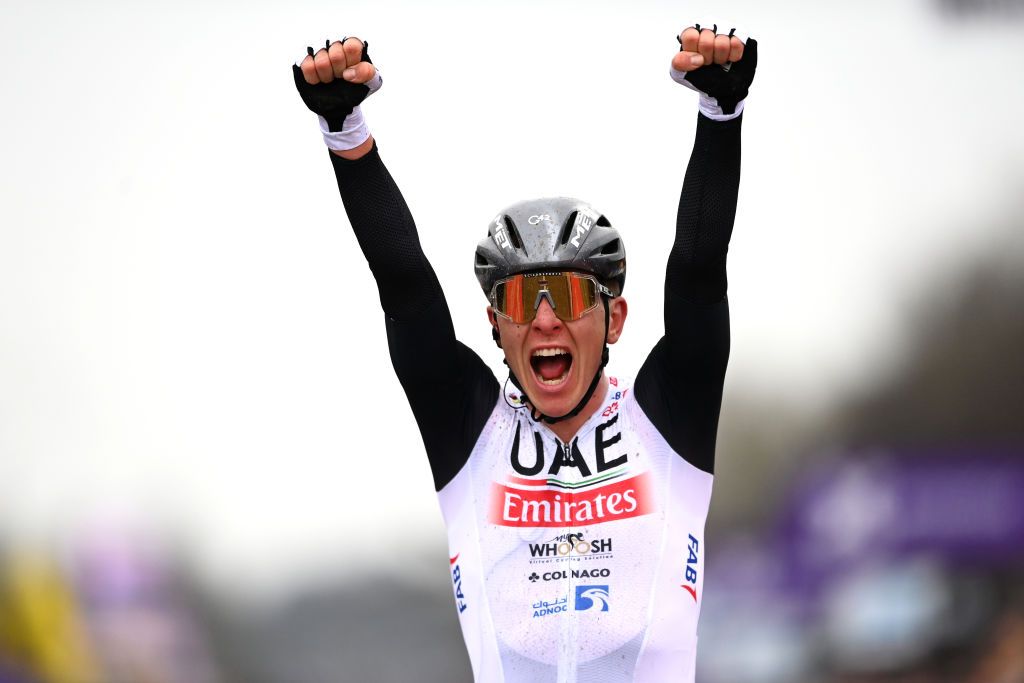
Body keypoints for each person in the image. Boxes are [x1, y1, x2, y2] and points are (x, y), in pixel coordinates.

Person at [292, 23, 757, 682]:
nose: (543, 321)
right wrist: (345, 131)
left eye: (565, 295)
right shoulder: (470, 432)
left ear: (615, 317)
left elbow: (700, 268)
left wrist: (720, 116)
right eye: (519, 301)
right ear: (495, 325)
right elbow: (405, 285)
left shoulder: (668, 419)